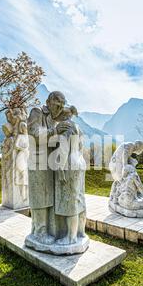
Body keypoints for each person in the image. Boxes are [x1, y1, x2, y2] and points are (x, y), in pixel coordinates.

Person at [27, 91, 72, 244]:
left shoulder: (53, 119)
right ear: (48, 101)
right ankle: (39, 232)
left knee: (48, 197)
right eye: (57, 103)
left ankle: (46, 230)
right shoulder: (37, 112)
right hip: (37, 162)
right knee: (40, 196)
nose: (59, 107)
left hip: (49, 163)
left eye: (62, 104)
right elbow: (33, 133)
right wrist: (56, 131)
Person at [53, 105, 87, 245]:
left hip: (69, 164)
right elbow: (80, 146)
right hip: (79, 162)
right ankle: (81, 232)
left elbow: (64, 147)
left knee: (70, 201)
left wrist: (60, 168)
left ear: (63, 116)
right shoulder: (77, 127)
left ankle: (71, 237)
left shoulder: (64, 126)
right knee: (79, 199)